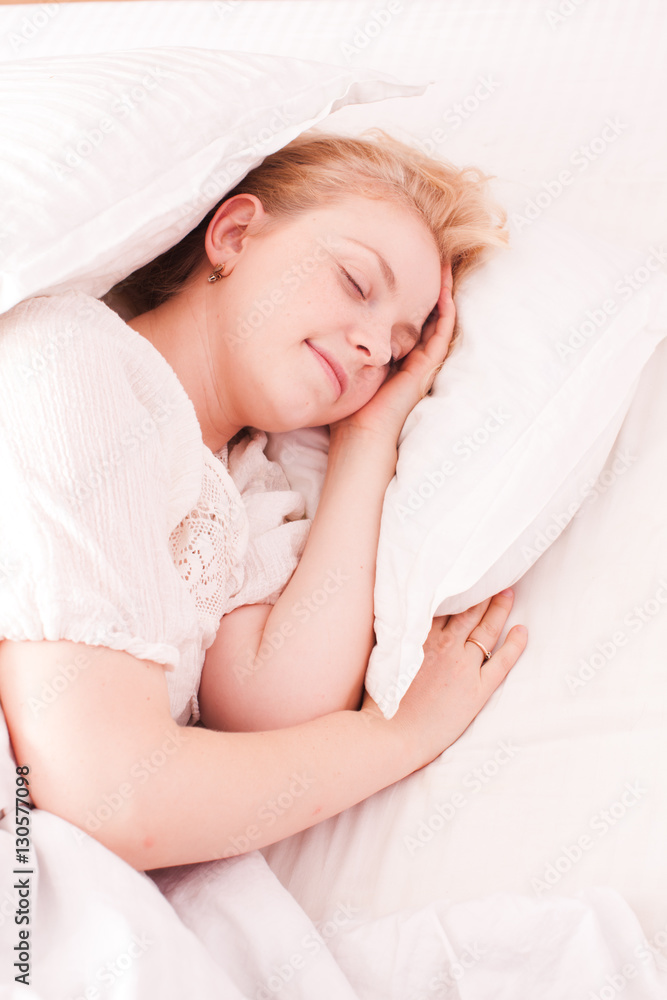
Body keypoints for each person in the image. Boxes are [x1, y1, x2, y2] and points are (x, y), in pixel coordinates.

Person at [0, 130, 527, 872]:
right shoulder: (70, 362)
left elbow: (272, 711)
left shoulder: (245, 483)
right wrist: (396, 737)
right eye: (354, 282)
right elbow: (109, 798)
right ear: (235, 234)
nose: (375, 348)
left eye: (401, 349)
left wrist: (367, 439)